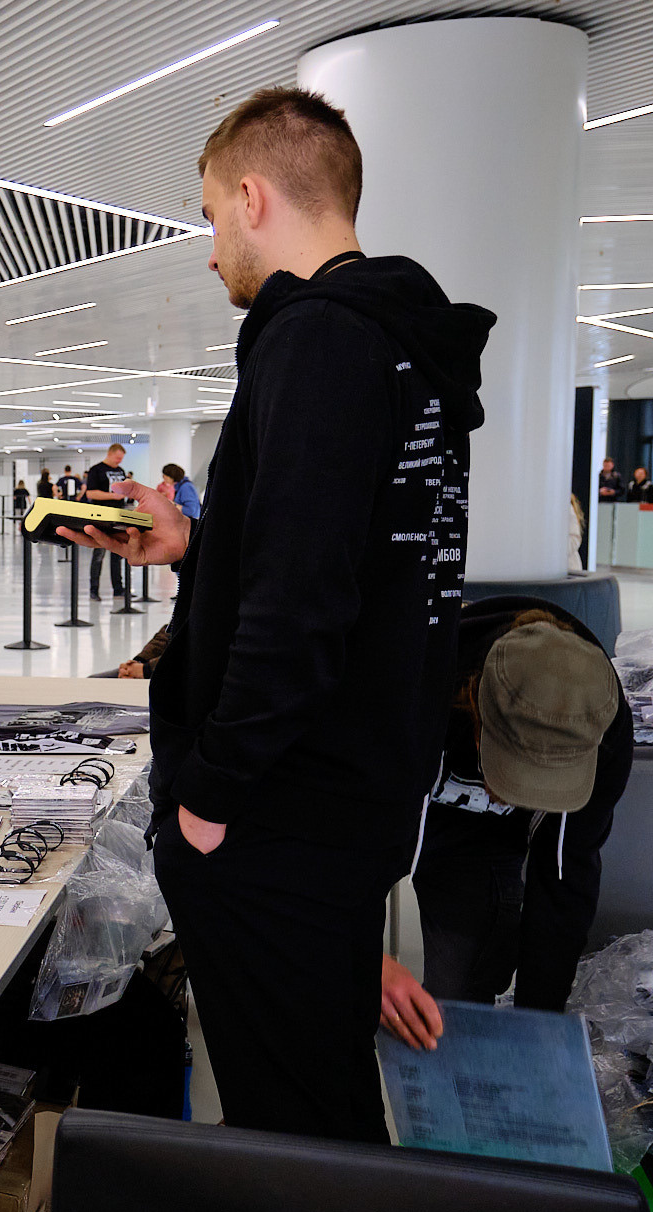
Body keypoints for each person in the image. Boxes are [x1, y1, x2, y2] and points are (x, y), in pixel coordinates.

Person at [64, 87, 492, 1143]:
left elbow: (300, 609)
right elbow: (348, 566)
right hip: (349, 799)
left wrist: (208, 797)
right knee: (323, 1091)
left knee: (290, 1122)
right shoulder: (405, 342)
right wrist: (196, 548)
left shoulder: (315, 339)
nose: (213, 251)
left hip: (277, 816)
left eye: (213, 216)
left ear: (253, 196)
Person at [373, 600, 632, 1053]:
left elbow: (564, 880)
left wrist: (539, 1029)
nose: (519, 796)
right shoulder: (411, 681)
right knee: (336, 990)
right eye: (513, 773)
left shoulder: (602, 726)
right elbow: (332, 840)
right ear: (475, 709)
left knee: (456, 1012)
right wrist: (362, 957)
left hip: (479, 845)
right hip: (383, 811)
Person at [81, 443, 134, 600]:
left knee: (118, 554)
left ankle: (118, 588)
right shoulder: (96, 470)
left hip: (118, 516)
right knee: (98, 553)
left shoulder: (120, 471)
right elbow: (91, 493)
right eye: (117, 458)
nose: (119, 461)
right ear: (110, 454)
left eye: (121, 459)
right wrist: (112, 496)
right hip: (101, 517)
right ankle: (94, 589)